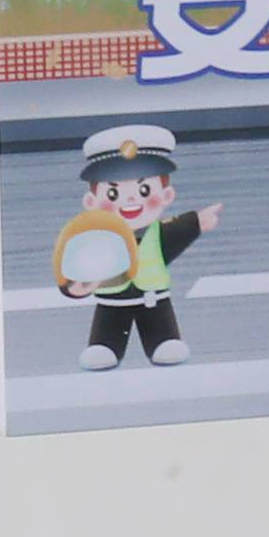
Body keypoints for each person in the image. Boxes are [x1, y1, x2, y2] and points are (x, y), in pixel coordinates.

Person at [48, 126, 211, 373]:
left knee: (164, 341)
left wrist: (196, 222)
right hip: (111, 300)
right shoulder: (97, 236)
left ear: (167, 195)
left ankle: (163, 341)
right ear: (91, 201)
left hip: (154, 300)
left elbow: (178, 231)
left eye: (144, 190)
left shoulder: (158, 233)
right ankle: (104, 345)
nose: (131, 200)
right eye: (113, 193)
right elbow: (77, 264)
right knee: (106, 337)